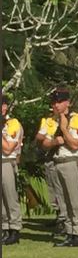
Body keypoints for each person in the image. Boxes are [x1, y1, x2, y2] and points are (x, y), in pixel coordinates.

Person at [36, 87, 78, 247]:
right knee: (63, 200)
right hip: (57, 161)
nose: (56, 105)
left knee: (74, 199)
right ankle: (70, 231)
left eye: (59, 102)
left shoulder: (76, 119)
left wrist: (64, 129)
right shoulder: (52, 120)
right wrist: (53, 142)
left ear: (67, 103)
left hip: (70, 160)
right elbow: (44, 143)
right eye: (54, 102)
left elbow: (75, 144)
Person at [1, 93, 23, 245]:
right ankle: (5, 227)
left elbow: (8, 148)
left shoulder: (13, 123)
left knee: (10, 197)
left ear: (4, 107)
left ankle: (14, 228)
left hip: (6, 162)